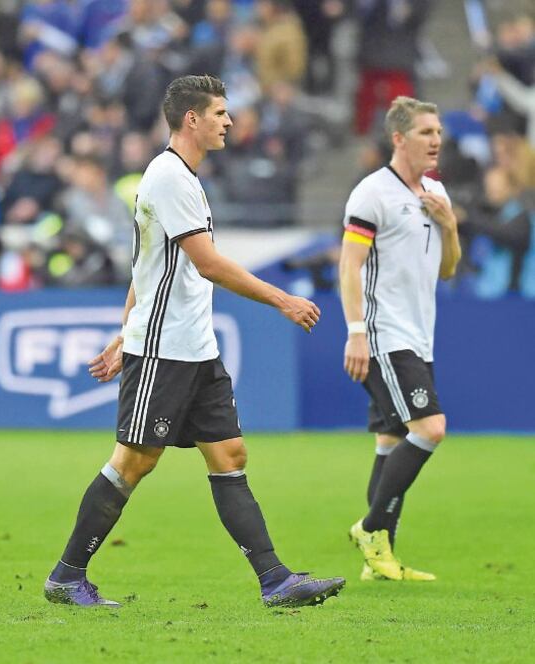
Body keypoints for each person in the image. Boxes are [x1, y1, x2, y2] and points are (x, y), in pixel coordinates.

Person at [43, 75, 346, 608]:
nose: (229, 122)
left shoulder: (183, 177)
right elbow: (205, 264)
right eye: (221, 113)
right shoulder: (168, 178)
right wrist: (283, 300)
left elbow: (147, 269)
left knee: (229, 454)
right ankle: (67, 575)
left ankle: (275, 580)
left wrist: (120, 332)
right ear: (192, 119)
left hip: (194, 346)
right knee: (134, 461)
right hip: (163, 348)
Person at [340, 96, 462, 581]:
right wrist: (355, 333)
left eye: (438, 133)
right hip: (384, 334)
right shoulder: (372, 194)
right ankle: (372, 529)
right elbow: (349, 266)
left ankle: (379, 562)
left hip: (419, 333)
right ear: (398, 138)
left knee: (392, 441)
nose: (435, 141)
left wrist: (449, 225)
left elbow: (448, 270)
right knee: (430, 428)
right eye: (425, 133)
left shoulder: (436, 192)